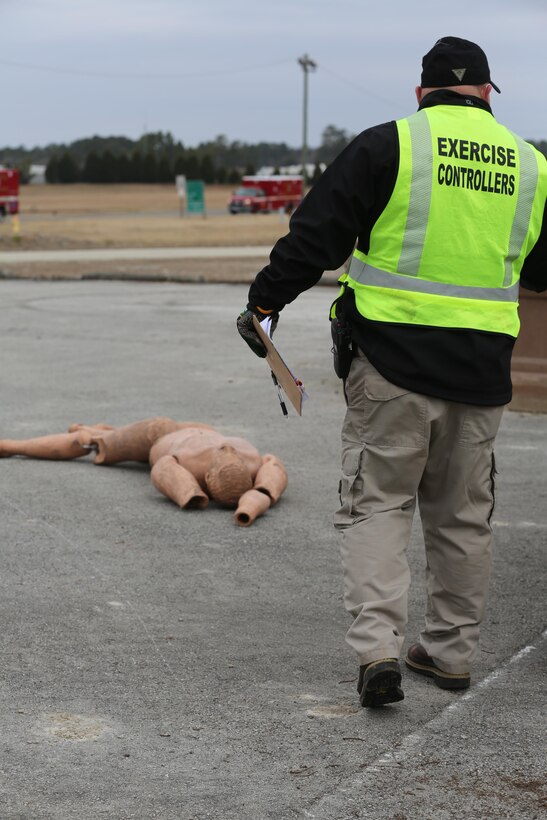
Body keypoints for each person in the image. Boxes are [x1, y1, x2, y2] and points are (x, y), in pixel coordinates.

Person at [237, 36, 547, 707]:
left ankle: (378, 650)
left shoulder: (389, 145)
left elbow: (315, 237)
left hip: (391, 367)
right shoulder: (530, 165)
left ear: (421, 91)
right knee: (463, 516)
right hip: (483, 373)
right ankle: (449, 652)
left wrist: (264, 301)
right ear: (487, 94)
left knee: (378, 503)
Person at [0, 418, 288, 527]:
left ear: (208, 481)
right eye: (229, 453)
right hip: (187, 427)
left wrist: (190, 494)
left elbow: (163, 469)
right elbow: (272, 475)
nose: (226, 449)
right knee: (106, 440)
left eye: (221, 458)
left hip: (156, 435)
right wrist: (257, 499)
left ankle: (12, 446)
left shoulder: (189, 464)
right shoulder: (252, 462)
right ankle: (102, 432)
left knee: (90, 444)